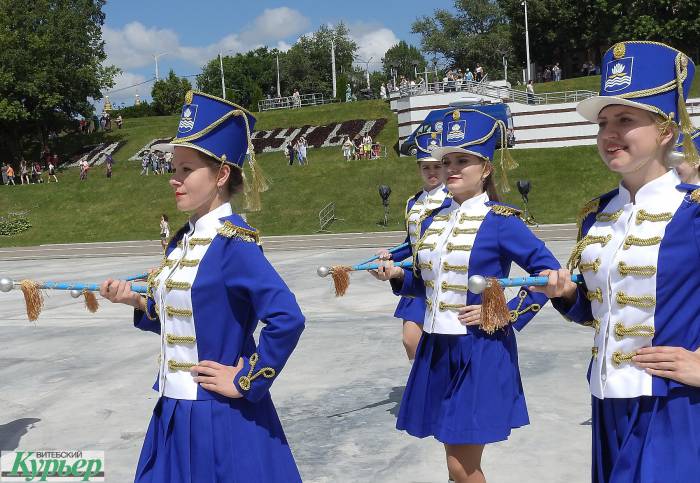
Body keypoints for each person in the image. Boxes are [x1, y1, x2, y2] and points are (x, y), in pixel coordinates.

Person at [99, 90, 305, 482]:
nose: (174, 181)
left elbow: (288, 318)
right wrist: (136, 302)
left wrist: (246, 380)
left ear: (222, 174)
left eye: (186, 170)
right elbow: (195, 320)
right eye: (174, 169)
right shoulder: (183, 240)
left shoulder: (234, 243)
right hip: (174, 408)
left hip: (218, 413)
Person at [535, 41, 700, 482]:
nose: (609, 132)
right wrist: (567, 294)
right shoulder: (596, 214)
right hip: (607, 399)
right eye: (604, 122)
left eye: (625, 119)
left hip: (678, 405)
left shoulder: (696, 210)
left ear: (666, 130)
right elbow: (602, 309)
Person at [372, 108, 560, 482]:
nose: (452, 169)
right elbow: (428, 284)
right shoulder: (433, 221)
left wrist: (507, 312)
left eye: (464, 161)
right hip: (436, 346)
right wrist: (396, 274)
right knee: (452, 453)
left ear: (486, 168)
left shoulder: (502, 220)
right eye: (447, 162)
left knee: (461, 463)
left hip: (480, 348)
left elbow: (550, 275)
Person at [378, 129, 448, 361]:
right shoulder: (413, 202)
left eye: (437, 166)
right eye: (426, 167)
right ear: (419, 169)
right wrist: (391, 256)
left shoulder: (453, 199)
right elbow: (412, 244)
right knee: (411, 340)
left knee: (442, 344)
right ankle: (425, 387)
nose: (431, 172)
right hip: (417, 278)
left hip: (443, 278)